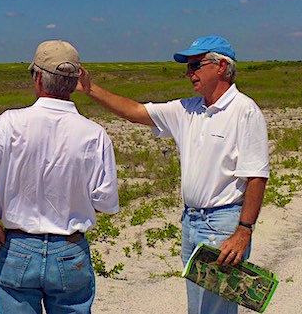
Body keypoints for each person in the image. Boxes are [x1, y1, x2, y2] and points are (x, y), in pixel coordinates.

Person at [77, 34, 269, 314]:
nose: (189, 73)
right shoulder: (188, 109)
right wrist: (90, 89)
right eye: (188, 67)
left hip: (222, 223)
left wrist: (244, 231)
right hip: (191, 221)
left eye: (196, 66)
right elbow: (136, 112)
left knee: (214, 309)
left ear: (221, 66)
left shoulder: (244, 111)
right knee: (199, 306)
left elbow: (256, 176)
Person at [0, 40, 119, 314]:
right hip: (70, 251)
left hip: (19, 247)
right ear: (76, 81)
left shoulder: (7, 123)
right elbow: (104, 203)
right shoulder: (95, 134)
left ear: (39, 78)